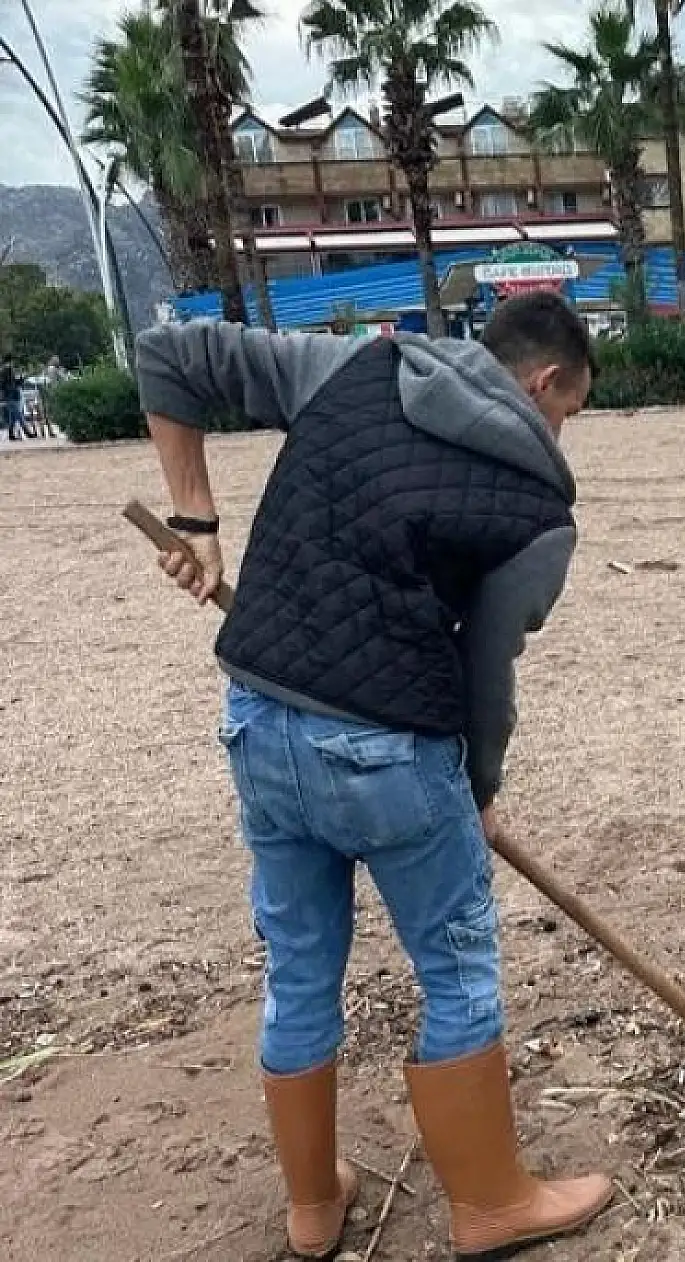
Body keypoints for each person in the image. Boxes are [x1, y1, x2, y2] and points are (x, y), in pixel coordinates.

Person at [134, 293, 612, 1261]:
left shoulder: (357, 367)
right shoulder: (539, 510)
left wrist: (197, 518)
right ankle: (491, 1205)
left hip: (260, 721)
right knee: (456, 966)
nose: (562, 432)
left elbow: (166, 356)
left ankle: (313, 1206)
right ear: (546, 381)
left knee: (300, 963)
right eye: (569, 411)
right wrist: (478, 787)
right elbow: (486, 671)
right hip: (391, 752)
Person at [1, 357, 21, 441]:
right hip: (10, 395)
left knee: (13, 415)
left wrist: (19, 380)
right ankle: (12, 434)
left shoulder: (9, 371)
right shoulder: (6, 371)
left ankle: (11, 434)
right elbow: (5, 384)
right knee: (15, 414)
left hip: (12, 395)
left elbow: (14, 383)